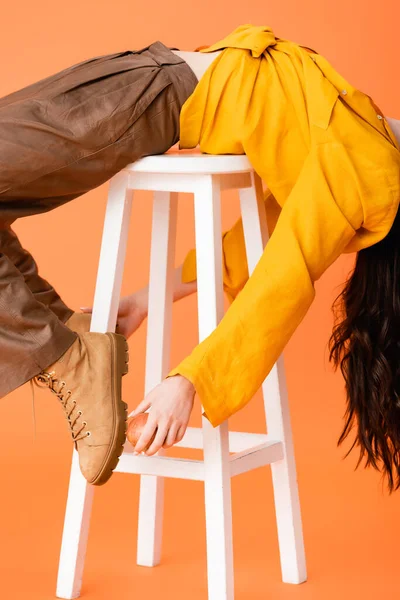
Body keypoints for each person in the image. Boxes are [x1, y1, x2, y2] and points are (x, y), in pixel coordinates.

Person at [2, 26, 400, 491]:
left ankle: (70, 361)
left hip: (152, 93)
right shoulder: (363, 135)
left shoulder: (368, 168)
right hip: (150, 78)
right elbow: (255, 250)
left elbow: (279, 281)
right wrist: (143, 300)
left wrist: (191, 381)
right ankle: (71, 343)